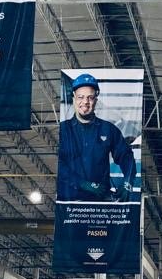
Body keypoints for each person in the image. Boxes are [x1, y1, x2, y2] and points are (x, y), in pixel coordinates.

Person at [56, 73, 136, 203]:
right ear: (74, 99)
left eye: (90, 97)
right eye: (80, 97)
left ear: (96, 101)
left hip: (100, 203)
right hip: (69, 203)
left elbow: (126, 156)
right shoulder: (63, 130)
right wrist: (82, 183)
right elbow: (60, 164)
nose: (85, 102)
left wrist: (128, 181)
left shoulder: (109, 130)